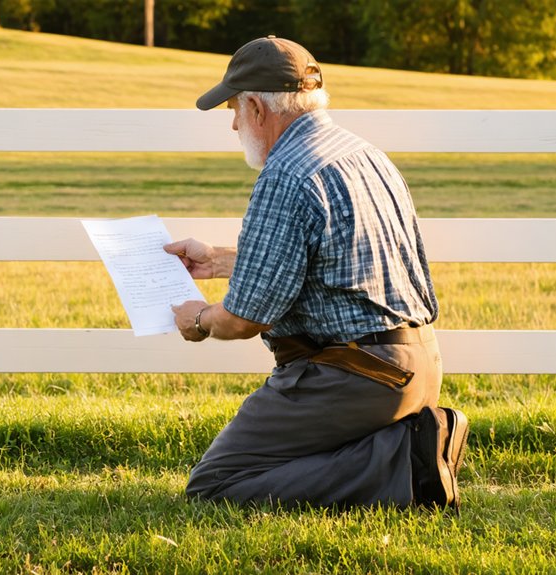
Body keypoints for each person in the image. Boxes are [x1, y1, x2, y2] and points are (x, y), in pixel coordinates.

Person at [164, 36, 469, 509]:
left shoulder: (285, 173)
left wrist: (199, 318)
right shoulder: (363, 154)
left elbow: (244, 320)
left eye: (235, 111)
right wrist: (220, 260)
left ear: (257, 109)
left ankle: (404, 462)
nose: (232, 124)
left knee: (217, 484)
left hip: (353, 377)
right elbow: (327, 261)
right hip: (417, 368)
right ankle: (407, 445)